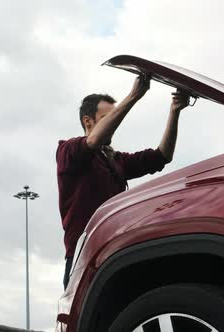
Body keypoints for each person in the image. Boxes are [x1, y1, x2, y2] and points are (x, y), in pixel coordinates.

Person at [56, 75, 190, 289]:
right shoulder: (67, 151)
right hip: (83, 258)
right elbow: (92, 141)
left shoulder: (115, 160)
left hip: (114, 254)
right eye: (107, 117)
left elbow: (162, 156)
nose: (116, 121)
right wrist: (134, 96)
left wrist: (174, 111)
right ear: (87, 121)